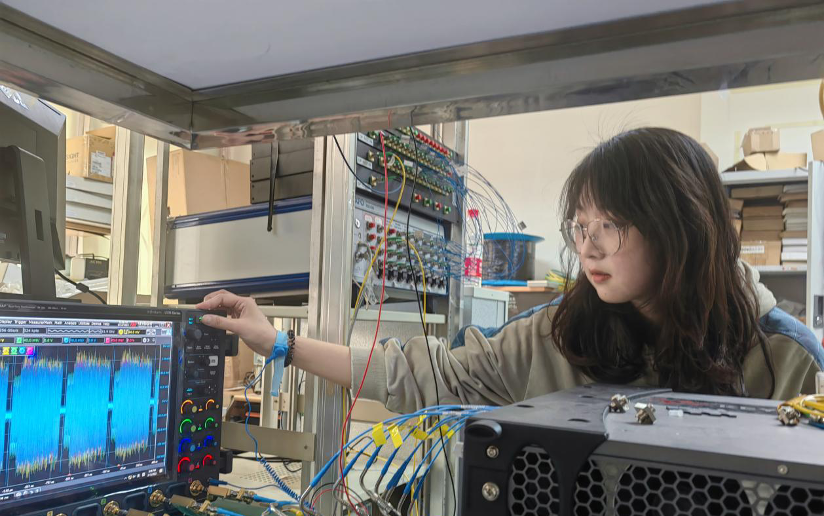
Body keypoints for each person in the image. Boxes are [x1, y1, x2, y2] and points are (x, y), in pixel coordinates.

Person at [198, 128, 823, 414]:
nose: (589, 248)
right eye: (580, 226)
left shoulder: (788, 360)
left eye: (610, 225)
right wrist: (279, 343)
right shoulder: (559, 333)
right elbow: (422, 375)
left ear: (681, 225)